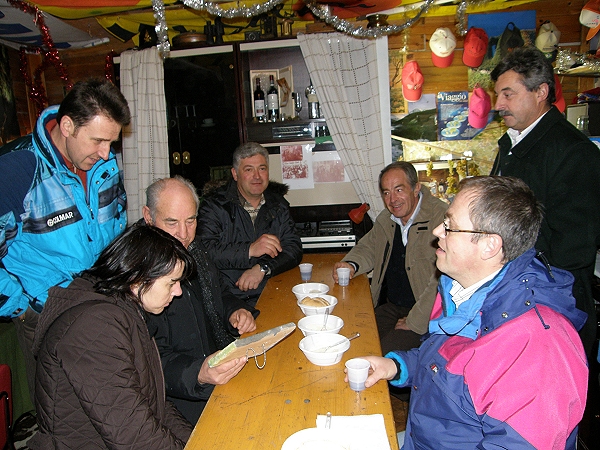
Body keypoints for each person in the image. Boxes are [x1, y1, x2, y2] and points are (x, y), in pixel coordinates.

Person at [350, 176, 588, 449]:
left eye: (450, 226)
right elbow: (451, 368)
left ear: (490, 246)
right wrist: (396, 366)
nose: (438, 230)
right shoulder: (460, 292)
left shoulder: (539, 349)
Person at [0, 78, 131, 402]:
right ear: (68, 125)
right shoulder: (18, 169)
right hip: (45, 314)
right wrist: (23, 306)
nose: (106, 154)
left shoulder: (105, 164)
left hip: (99, 303)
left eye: (111, 143)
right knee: (64, 415)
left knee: (110, 404)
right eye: (99, 140)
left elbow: (116, 224)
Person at [30, 224, 196, 449]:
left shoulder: (124, 311)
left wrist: (198, 441)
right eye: (172, 282)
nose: (178, 291)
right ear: (138, 279)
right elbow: (133, 436)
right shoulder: (94, 328)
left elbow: (156, 405)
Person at [490, 46, 600, 357]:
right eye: (498, 95)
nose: (498, 104)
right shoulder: (512, 144)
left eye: (508, 94)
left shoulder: (574, 152)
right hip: (514, 298)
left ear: (541, 92)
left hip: (550, 308)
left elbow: (573, 248)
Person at [143, 176, 258, 424]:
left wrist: (235, 311)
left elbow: (221, 293)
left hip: (217, 374)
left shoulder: (196, 252)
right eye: (171, 222)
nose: (183, 234)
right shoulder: (141, 276)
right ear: (148, 217)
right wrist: (200, 373)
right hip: (178, 402)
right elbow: (148, 361)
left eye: (191, 220)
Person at [332, 162, 447, 354]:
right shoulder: (387, 219)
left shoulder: (440, 217)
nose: (392, 199)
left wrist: (415, 321)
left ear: (416, 187)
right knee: (355, 340)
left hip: (426, 313)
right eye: (386, 193)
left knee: (381, 356)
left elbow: (443, 278)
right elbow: (369, 247)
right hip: (391, 306)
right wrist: (351, 264)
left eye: (399, 190)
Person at [197, 142, 303, 306]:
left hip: (272, 291)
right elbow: (204, 252)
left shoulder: (278, 204)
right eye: (248, 170)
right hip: (228, 299)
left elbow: (294, 248)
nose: (257, 176)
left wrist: (263, 268)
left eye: (262, 168)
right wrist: (249, 250)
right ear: (235, 174)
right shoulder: (214, 206)